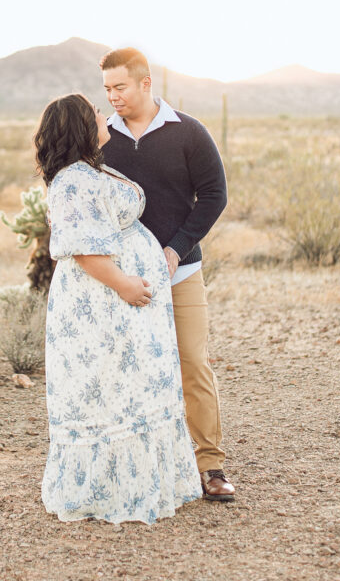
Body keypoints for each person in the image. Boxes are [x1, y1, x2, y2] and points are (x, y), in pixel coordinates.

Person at [35, 93, 202, 524]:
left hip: (123, 300)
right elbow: (84, 252)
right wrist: (127, 284)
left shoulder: (92, 168)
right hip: (105, 299)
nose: (103, 114)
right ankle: (112, 489)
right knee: (110, 386)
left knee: (133, 383)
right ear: (78, 126)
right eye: (94, 111)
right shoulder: (72, 180)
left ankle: (144, 481)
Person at [99, 48, 235, 503]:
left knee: (193, 362)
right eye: (107, 89)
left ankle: (210, 465)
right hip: (121, 279)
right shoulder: (99, 138)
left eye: (120, 87)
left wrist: (177, 248)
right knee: (128, 368)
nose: (113, 97)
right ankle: (135, 465)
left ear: (145, 83)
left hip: (181, 271)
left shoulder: (188, 132)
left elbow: (215, 194)